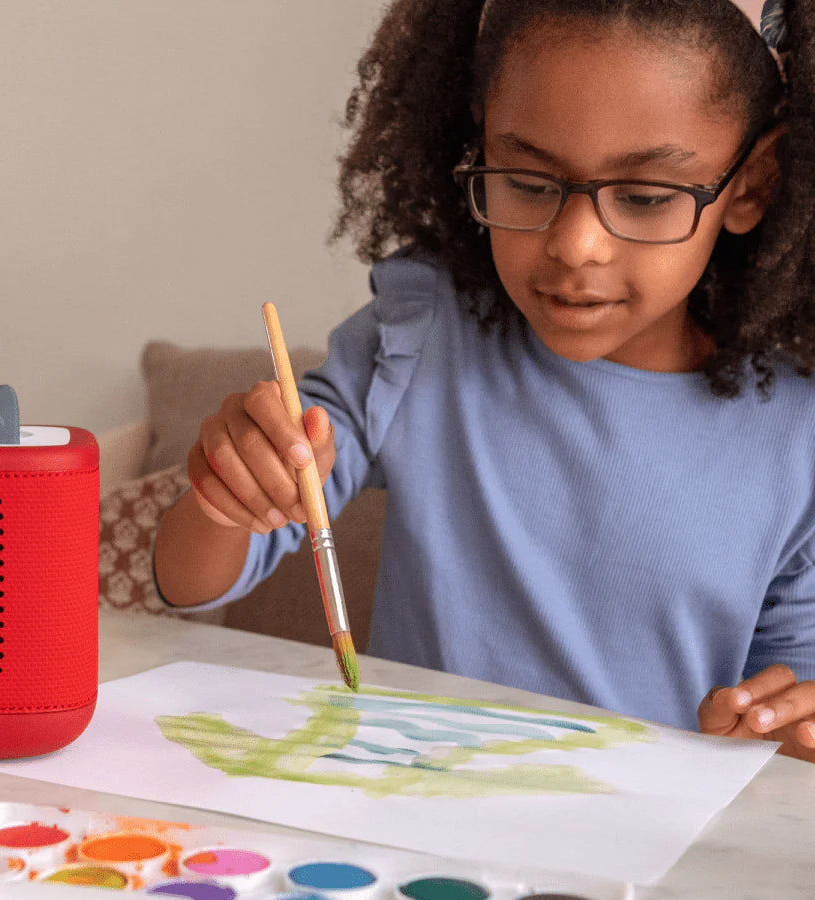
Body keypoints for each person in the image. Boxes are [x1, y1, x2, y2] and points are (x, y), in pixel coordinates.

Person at [153, 0, 815, 762]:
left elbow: (789, 724)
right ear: (478, 144)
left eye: (644, 198)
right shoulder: (420, 337)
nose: (577, 245)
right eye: (529, 182)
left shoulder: (797, 437)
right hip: (411, 814)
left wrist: (775, 731)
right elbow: (190, 580)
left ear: (752, 185)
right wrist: (230, 493)